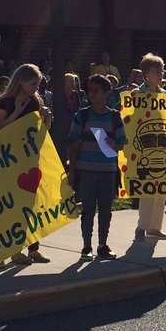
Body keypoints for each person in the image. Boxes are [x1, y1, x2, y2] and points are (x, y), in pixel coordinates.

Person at [0, 63, 51, 265]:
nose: (36, 88)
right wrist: (17, 111)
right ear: (21, 82)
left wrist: (46, 119)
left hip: (31, 157)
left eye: (38, 84)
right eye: (33, 84)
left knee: (33, 205)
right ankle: (15, 250)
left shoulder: (36, 101)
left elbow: (41, 132)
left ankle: (33, 248)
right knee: (16, 206)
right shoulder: (5, 102)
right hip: (11, 159)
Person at [67, 74, 127, 260]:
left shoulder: (115, 117)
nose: (91, 94)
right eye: (89, 90)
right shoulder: (82, 115)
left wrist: (113, 143)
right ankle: (86, 246)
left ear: (107, 93)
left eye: (96, 91)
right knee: (87, 209)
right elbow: (74, 143)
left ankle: (103, 244)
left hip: (108, 170)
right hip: (87, 170)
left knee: (106, 209)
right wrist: (72, 170)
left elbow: (121, 143)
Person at [133, 53, 166, 241]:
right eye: (156, 71)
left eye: (162, 70)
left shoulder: (164, 94)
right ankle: (141, 227)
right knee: (147, 188)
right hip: (146, 145)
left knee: (161, 189)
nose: (160, 74)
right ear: (146, 73)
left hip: (163, 144)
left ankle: (155, 227)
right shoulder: (138, 94)